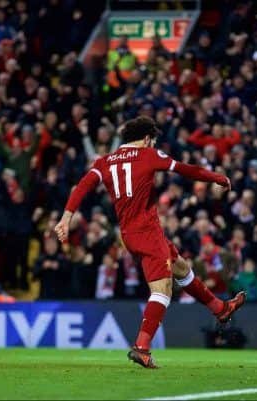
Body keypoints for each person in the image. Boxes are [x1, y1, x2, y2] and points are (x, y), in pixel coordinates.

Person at [54, 115, 246, 368]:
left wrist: (65, 219)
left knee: (180, 267)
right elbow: (187, 169)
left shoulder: (103, 162)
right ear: (146, 139)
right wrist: (216, 177)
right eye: (152, 141)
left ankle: (219, 308)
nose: (153, 144)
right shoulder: (149, 155)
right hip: (147, 231)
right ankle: (142, 347)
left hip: (129, 234)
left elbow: (81, 187)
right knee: (163, 288)